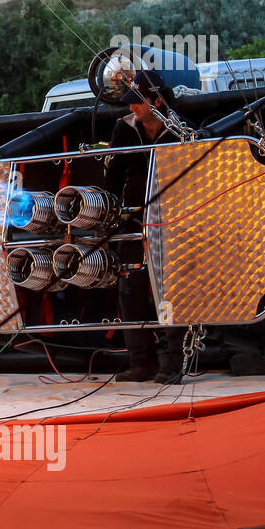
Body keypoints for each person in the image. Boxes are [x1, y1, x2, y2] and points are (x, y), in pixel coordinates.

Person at [103, 67, 189, 382]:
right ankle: (140, 363)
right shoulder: (122, 129)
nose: (132, 108)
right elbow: (113, 177)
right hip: (133, 216)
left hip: (173, 219)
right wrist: (109, 213)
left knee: (172, 288)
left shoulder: (182, 130)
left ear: (156, 101)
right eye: (130, 102)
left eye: (138, 101)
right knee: (130, 286)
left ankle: (172, 364)